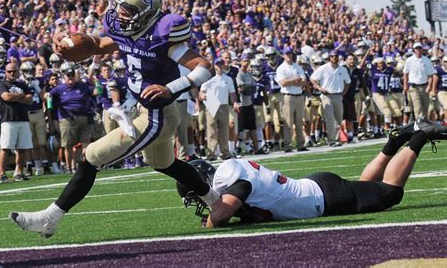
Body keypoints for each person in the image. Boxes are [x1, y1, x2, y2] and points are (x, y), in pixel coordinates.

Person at [10, 0, 219, 237]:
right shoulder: (128, 29)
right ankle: (216, 201)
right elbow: (97, 45)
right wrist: (67, 44)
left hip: (157, 115)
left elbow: (205, 66)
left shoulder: (163, 35)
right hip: (144, 110)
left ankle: (49, 218)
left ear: (146, 13)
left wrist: (172, 87)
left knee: (91, 156)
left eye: (128, 10)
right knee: (165, 163)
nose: (120, 14)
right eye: (119, 7)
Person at [177, 119, 447, 227]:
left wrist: (212, 215)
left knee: (390, 194)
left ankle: (420, 137)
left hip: (323, 199)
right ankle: (394, 142)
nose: (199, 202)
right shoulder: (231, 175)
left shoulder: (230, 179)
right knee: (367, 185)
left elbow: (221, 216)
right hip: (317, 189)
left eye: (195, 194)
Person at [0, 62, 33, 182]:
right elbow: (6, 97)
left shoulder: (22, 84)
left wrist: (15, 98)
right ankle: (2, 174)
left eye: (14, 71)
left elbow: (30, 100)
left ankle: (19, 172)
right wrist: (21, 96)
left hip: (23, 119)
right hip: (8, 119)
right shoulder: (1, 84)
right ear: (5, 72)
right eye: (9, 71)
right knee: (5, 148)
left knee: (22, 148)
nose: (12, 73)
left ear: (18, 72)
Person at [199, 58, 239, 161]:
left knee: (224, 129)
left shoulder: (228, 79)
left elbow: (232, 93)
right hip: (212, 104)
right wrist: (203, 95)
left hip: (224, 105)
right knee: (211, 129)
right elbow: (201, 91)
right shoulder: (209, 79)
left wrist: (235, 102)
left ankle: (225, 152)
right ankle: (212, 153)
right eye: (218, 64)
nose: (219, 66)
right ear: (214, 66)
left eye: (221, 64)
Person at [310, 51, 351, 147]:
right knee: (330, 118)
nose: (334, 58)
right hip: (327, 95)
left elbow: (348, 82)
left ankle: (337, 139)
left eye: (336, 56)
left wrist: (344, 92)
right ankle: (331, 140)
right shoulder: (323, 68)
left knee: (338, 118)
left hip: (338, 95)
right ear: (330, 57)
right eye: (332, 56)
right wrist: (319, 88)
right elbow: (312, 78)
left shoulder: (342, 69)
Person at [275, 47, 307, 152]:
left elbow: (304, 82)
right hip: (288, 96)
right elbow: (282, 83)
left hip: (299, 95)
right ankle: (287, 145)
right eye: (287, 54)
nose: (289, 56)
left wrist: (291, 82)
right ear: (283, 55)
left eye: (290, 54)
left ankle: (300, 144)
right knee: (288, 122)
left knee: (299, 122)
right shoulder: (281, 68)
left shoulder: (297, 67)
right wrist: (294, 80)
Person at [403, 42, 436, 119]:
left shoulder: (427, 60)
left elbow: (430, 75)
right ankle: (419, 125)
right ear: (414, 50)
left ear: (422, 49)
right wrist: (405, 86)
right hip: (413, 87)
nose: (418, 49)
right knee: (418, 107)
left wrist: (429, 86)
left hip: (424, 86)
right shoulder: (409, 60)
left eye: (419, 48)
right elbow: (405, 73)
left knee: (425, 107)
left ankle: (423, 124)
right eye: (416, 48)